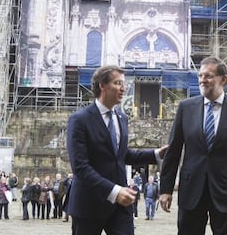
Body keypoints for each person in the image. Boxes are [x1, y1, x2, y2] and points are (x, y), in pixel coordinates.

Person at [159, 56, 227, 234]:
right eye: (200, 76)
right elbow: (173, 151)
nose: (203, 80)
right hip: (191, 190)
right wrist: (165, 189)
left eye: (209, 76)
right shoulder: (185, 108)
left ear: (224, 79)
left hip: (225, 190)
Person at [66, 65, 168, 235]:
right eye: (118, 83)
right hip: (89, 203)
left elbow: (121, 155)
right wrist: (114, 191)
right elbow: (80, 167)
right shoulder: (79, 120)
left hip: (120, 206)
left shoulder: (122, 117)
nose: (123, 88)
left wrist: (156, 154)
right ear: (102, 85)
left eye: (124, 83)